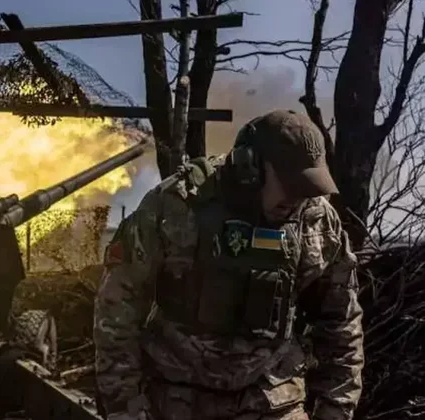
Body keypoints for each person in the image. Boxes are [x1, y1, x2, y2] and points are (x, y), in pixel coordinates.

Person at [94, 110, 364, 420]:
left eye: (307, 187)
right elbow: (117, 310)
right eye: (290, 183)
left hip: (271, 396)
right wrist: (127, 408)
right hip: (175, 397)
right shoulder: (176, 205)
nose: (297, 199)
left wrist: (334, 409)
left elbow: (342, 321)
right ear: (250, 165)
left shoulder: (317, 220)